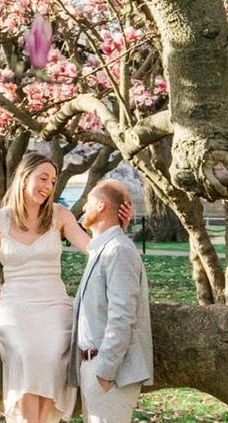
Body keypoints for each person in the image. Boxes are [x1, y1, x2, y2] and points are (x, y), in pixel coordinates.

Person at [0, 152, 119, 423]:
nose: (48, 187)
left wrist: (116, 228)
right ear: (24, 177)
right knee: (26, 352)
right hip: (14, 304)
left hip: (54, 304)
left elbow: (92, 248)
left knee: (52, 353)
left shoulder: (60, 215)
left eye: (52, 181)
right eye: (43, 178)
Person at [68, 180, 154, 423]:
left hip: (109, 373)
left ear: (101, 205)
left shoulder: (119, 250)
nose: (83, 208)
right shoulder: (103, 249)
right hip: (92, 368)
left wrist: (105, 372)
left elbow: (122, 316)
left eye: (88, 202)